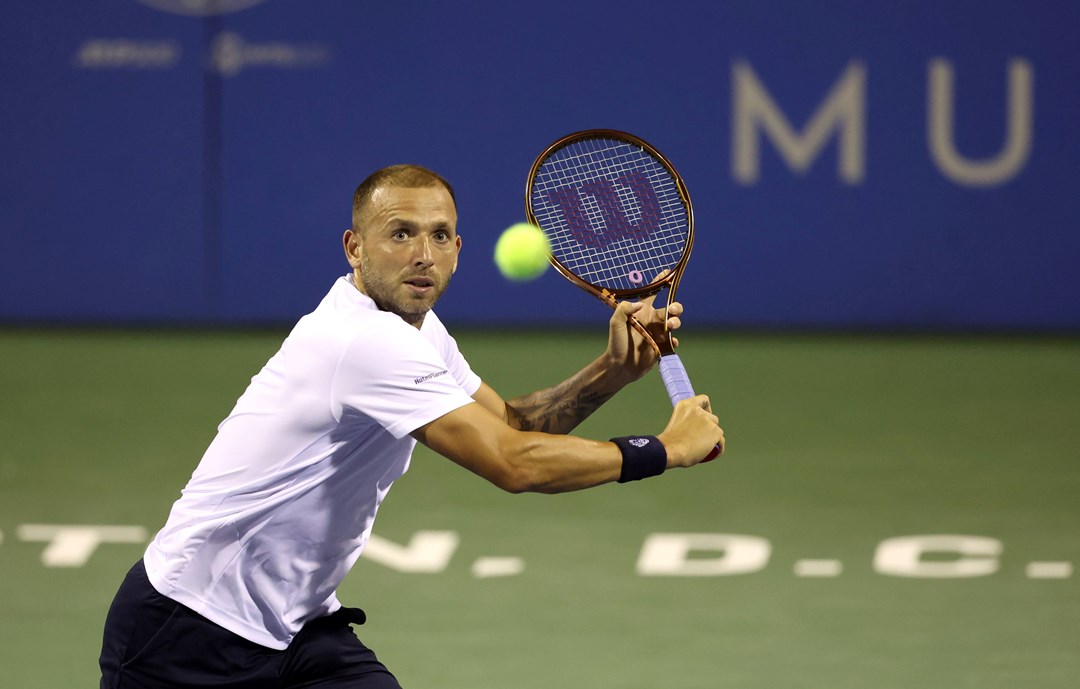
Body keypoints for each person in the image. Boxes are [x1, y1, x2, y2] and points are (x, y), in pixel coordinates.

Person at [99, 164, 724, 688]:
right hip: (187, 632)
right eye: (400, 234)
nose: (423, 255)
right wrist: (664, 450)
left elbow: (508, 422)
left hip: (294, 626)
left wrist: (611, 372)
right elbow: (515, 463)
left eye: (440, 235)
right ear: (355, 248)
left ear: (459, 249)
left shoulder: (416, 330)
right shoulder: (364, 342)